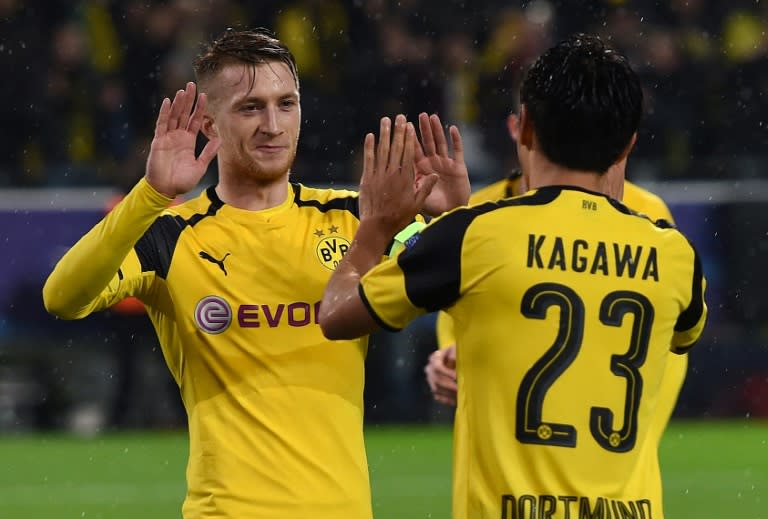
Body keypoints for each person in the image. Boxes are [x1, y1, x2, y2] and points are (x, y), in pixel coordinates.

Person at [42, 28, 469, 518]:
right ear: (209, 123)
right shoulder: (172, 235)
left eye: (285, 104)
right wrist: (150, 194)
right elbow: (62, 297)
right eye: (250, 108)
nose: (273, 124)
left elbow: (467, 285)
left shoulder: (357, 220)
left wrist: (455, 217)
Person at [318, 33, 707, 519]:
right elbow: (679, 334)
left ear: (524, 131)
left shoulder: (477, 233)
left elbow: (336, 316)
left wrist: (375, 230)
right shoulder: (673, 253)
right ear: (628, 142)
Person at [426, 115, 688, 444]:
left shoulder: (648, 210)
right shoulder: (479, 207)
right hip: (516, 421)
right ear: (517, 128)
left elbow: (667, 327)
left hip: (606, 411)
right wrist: (448, 356)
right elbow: (455, 309)